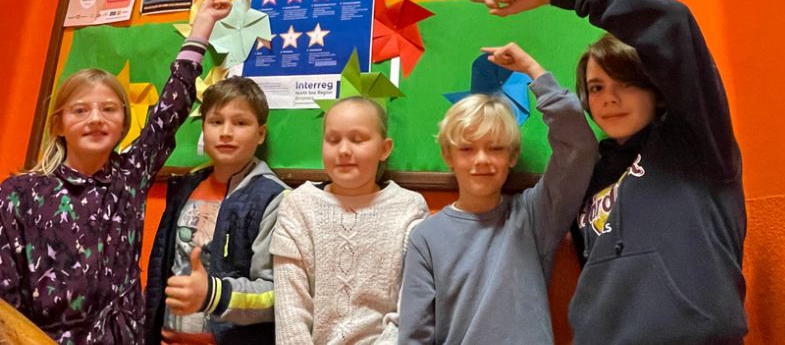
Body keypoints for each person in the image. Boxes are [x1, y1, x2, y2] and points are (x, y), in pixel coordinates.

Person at [472, 0, 747, 343]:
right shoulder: (591, 171)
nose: (609, 99)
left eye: (625, 83)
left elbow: (673, 24)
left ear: (658, 92)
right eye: (597, 87)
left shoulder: (695, 144)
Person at [0, 0, 231, 344]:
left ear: (123, 122)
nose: (95, 119)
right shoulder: (19, 195)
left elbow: (170, 111)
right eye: (80, 110)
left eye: (109, 109)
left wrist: (201, 28)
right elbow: (6, 299)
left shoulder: (130, 175)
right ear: (59, 124)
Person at [398, 43, 598, 344]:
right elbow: (414, 335)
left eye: (495, 148)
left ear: (512, 156)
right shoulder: (425, 238)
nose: (481, 160)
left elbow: (578, 146)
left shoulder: (534, 217)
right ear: (448, 156)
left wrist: (534, 72)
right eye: (467, 149)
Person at [270, 96, 429, 344]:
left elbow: (412, 308)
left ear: (385, 148)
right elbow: (290, 309)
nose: (343, 150)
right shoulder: (298, 205)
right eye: (333, 140)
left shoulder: (409, 208)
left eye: (358, 139)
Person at [144, 76, 287, 345]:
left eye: (241, 122)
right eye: (216, 121)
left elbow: (278, 295)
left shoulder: (273, 198)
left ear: (260, 133)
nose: (226, 132)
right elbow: (161, 273)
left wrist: (213, 293)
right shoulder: (185, 186)